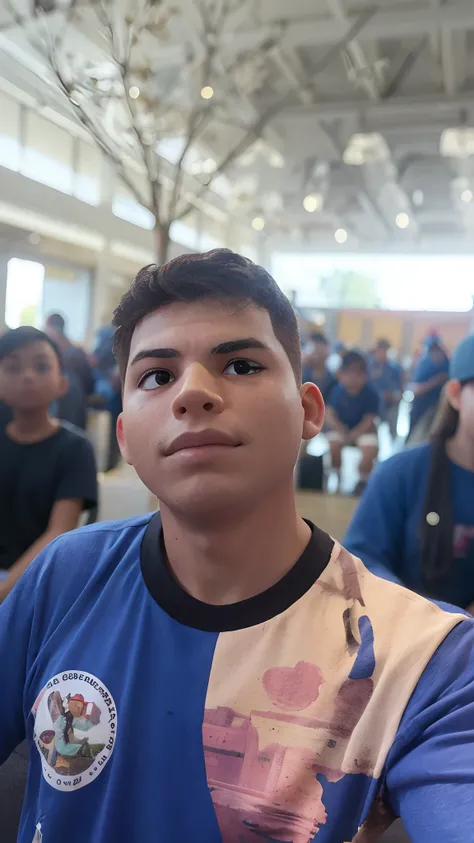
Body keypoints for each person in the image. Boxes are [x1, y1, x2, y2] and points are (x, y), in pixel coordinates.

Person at [0, 251, 474, 843]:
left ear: (308, 410)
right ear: (124, 434)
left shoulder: (424, 662)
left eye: (242, 365)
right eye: (157, 376)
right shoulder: (64, 579)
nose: (192, 393)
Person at [344, 333, 474, 611]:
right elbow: (362, 562)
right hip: (411, 637)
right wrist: (435, 620)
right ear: (455, 394)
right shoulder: (400, 474)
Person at [0, 327, 98, 601]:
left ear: (61, 384)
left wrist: (6, 591)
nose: (28, 376)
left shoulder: (75, 449)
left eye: (41, 366)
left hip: (40, 580)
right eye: (12, 367)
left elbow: (59, 531)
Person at [325, 350, 380, 493]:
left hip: (364, 431)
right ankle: (336, 477)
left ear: (365, 375)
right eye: (349, 372)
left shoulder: (371, 393)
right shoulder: (336, 390)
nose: (353, 377)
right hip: (341, 430)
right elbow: (329, 414)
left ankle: (362, 481)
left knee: (370, 451)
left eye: (358, 373)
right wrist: (340, 429)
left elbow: (369, 420)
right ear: (340, 374)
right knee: (333, 445)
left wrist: (354, 434)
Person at [45, 313, 94, 430]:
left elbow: (89, 385)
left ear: (53, 330)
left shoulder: (72, 355)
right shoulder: (75, 351)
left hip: (72, 408)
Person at [407, 335, 449, 444]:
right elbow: (415, 390)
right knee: (414, 438)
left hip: (440, 410)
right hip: (421, 408)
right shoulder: (424, 364)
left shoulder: (448, 365)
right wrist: (435, 381)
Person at [368, 339, 403, 440]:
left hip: (391, 405)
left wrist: (393, 395)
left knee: (392, 432)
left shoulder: (394, 368)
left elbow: (400, 388)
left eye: (384, 350)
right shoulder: (369, 366)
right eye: (379, 350)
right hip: (374, 405)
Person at [302, 331, 337, 402]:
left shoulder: (332, 380)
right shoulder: (303, 374)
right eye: (315, 351)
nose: (317, 356)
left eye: (319, 352)